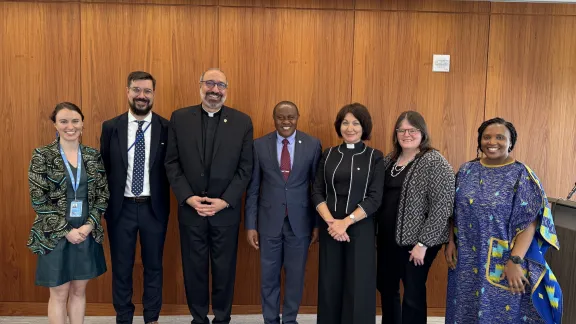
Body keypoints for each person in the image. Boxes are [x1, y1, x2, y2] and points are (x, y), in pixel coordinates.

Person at [445, 117, 563, 323]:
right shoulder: (465, 171)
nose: (492, 142)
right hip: (465, 259)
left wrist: (515, 260)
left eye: (500, 137)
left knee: (499, 313)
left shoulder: (521, 174)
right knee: (464, 310)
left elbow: (530, 221)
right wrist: (451, 242)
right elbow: (453, 211)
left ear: (511, 142)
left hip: (503, 259)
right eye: (486, 137)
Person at [165, 68, 253, 324]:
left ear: (227, 89)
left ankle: (223, 318)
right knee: (194, 271)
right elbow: (172, 163)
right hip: (191, 210)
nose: (215, 90)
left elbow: (245, 168)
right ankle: (199, 318)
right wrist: (188, 197)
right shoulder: (179, 118)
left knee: (225, 270)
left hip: (225, 212)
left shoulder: (242, 121)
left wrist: (225, 201)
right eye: (210, 84)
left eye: (221, 85)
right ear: (200, 86)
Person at [27, 102, 109, 324]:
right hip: (54, 235)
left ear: (82, 124)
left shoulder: (92, 156)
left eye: (75, 121)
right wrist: (66, 231)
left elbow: (103, 195)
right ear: (55, 124)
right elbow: (38, 200)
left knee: (79, 292)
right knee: (59, 293)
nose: (70, 126)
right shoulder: (41, 155)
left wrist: (88, 226)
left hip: (85, 233)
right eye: (63, 121)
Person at [100, 71, 170, 324]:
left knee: (154, 267)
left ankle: (151, 318)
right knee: (121, 268)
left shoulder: (166, 127)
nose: (142, 96)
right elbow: (105, 168)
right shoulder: (110, 127)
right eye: (137, 90)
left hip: (154, 209)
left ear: (153, 94)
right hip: (121, 209)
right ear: (127, 91)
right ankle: (124, 318)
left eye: (147, 91)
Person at [244, 101, 322, 324]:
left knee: (295, 277)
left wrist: (316, 224)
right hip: (268, 222)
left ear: (298, 117)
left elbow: (316, 188)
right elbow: (253, 188)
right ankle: (270, 319)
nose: (286, 122)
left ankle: (289, 320)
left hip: (300, 223)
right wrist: (250, 224)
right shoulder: (259, 145)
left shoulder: (312, 144)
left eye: (290, 117)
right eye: (281, 117)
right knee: (268, 277)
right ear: (273, 118)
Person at [375, 111, 455, 324]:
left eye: (412, 130)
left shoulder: (434, 161)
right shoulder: (388, 161)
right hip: (387, 240)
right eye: (401, 130)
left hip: (416, 244)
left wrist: (424, 243)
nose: (406, 134)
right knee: (387, 288)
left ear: (422, 132)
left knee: (413, 294)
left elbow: (443, 206)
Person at [311, 102, 384, 324]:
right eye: (345, 122)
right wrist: (333, 223)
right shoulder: (329, 153)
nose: (349, 128)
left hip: (360, 229)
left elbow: (374, 198)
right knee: (329, 284)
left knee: (358, 286)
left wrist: (347, 222)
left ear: (364, 127)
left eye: (355, 123)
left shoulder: (375, 156)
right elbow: (316, 191)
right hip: (330, 229)